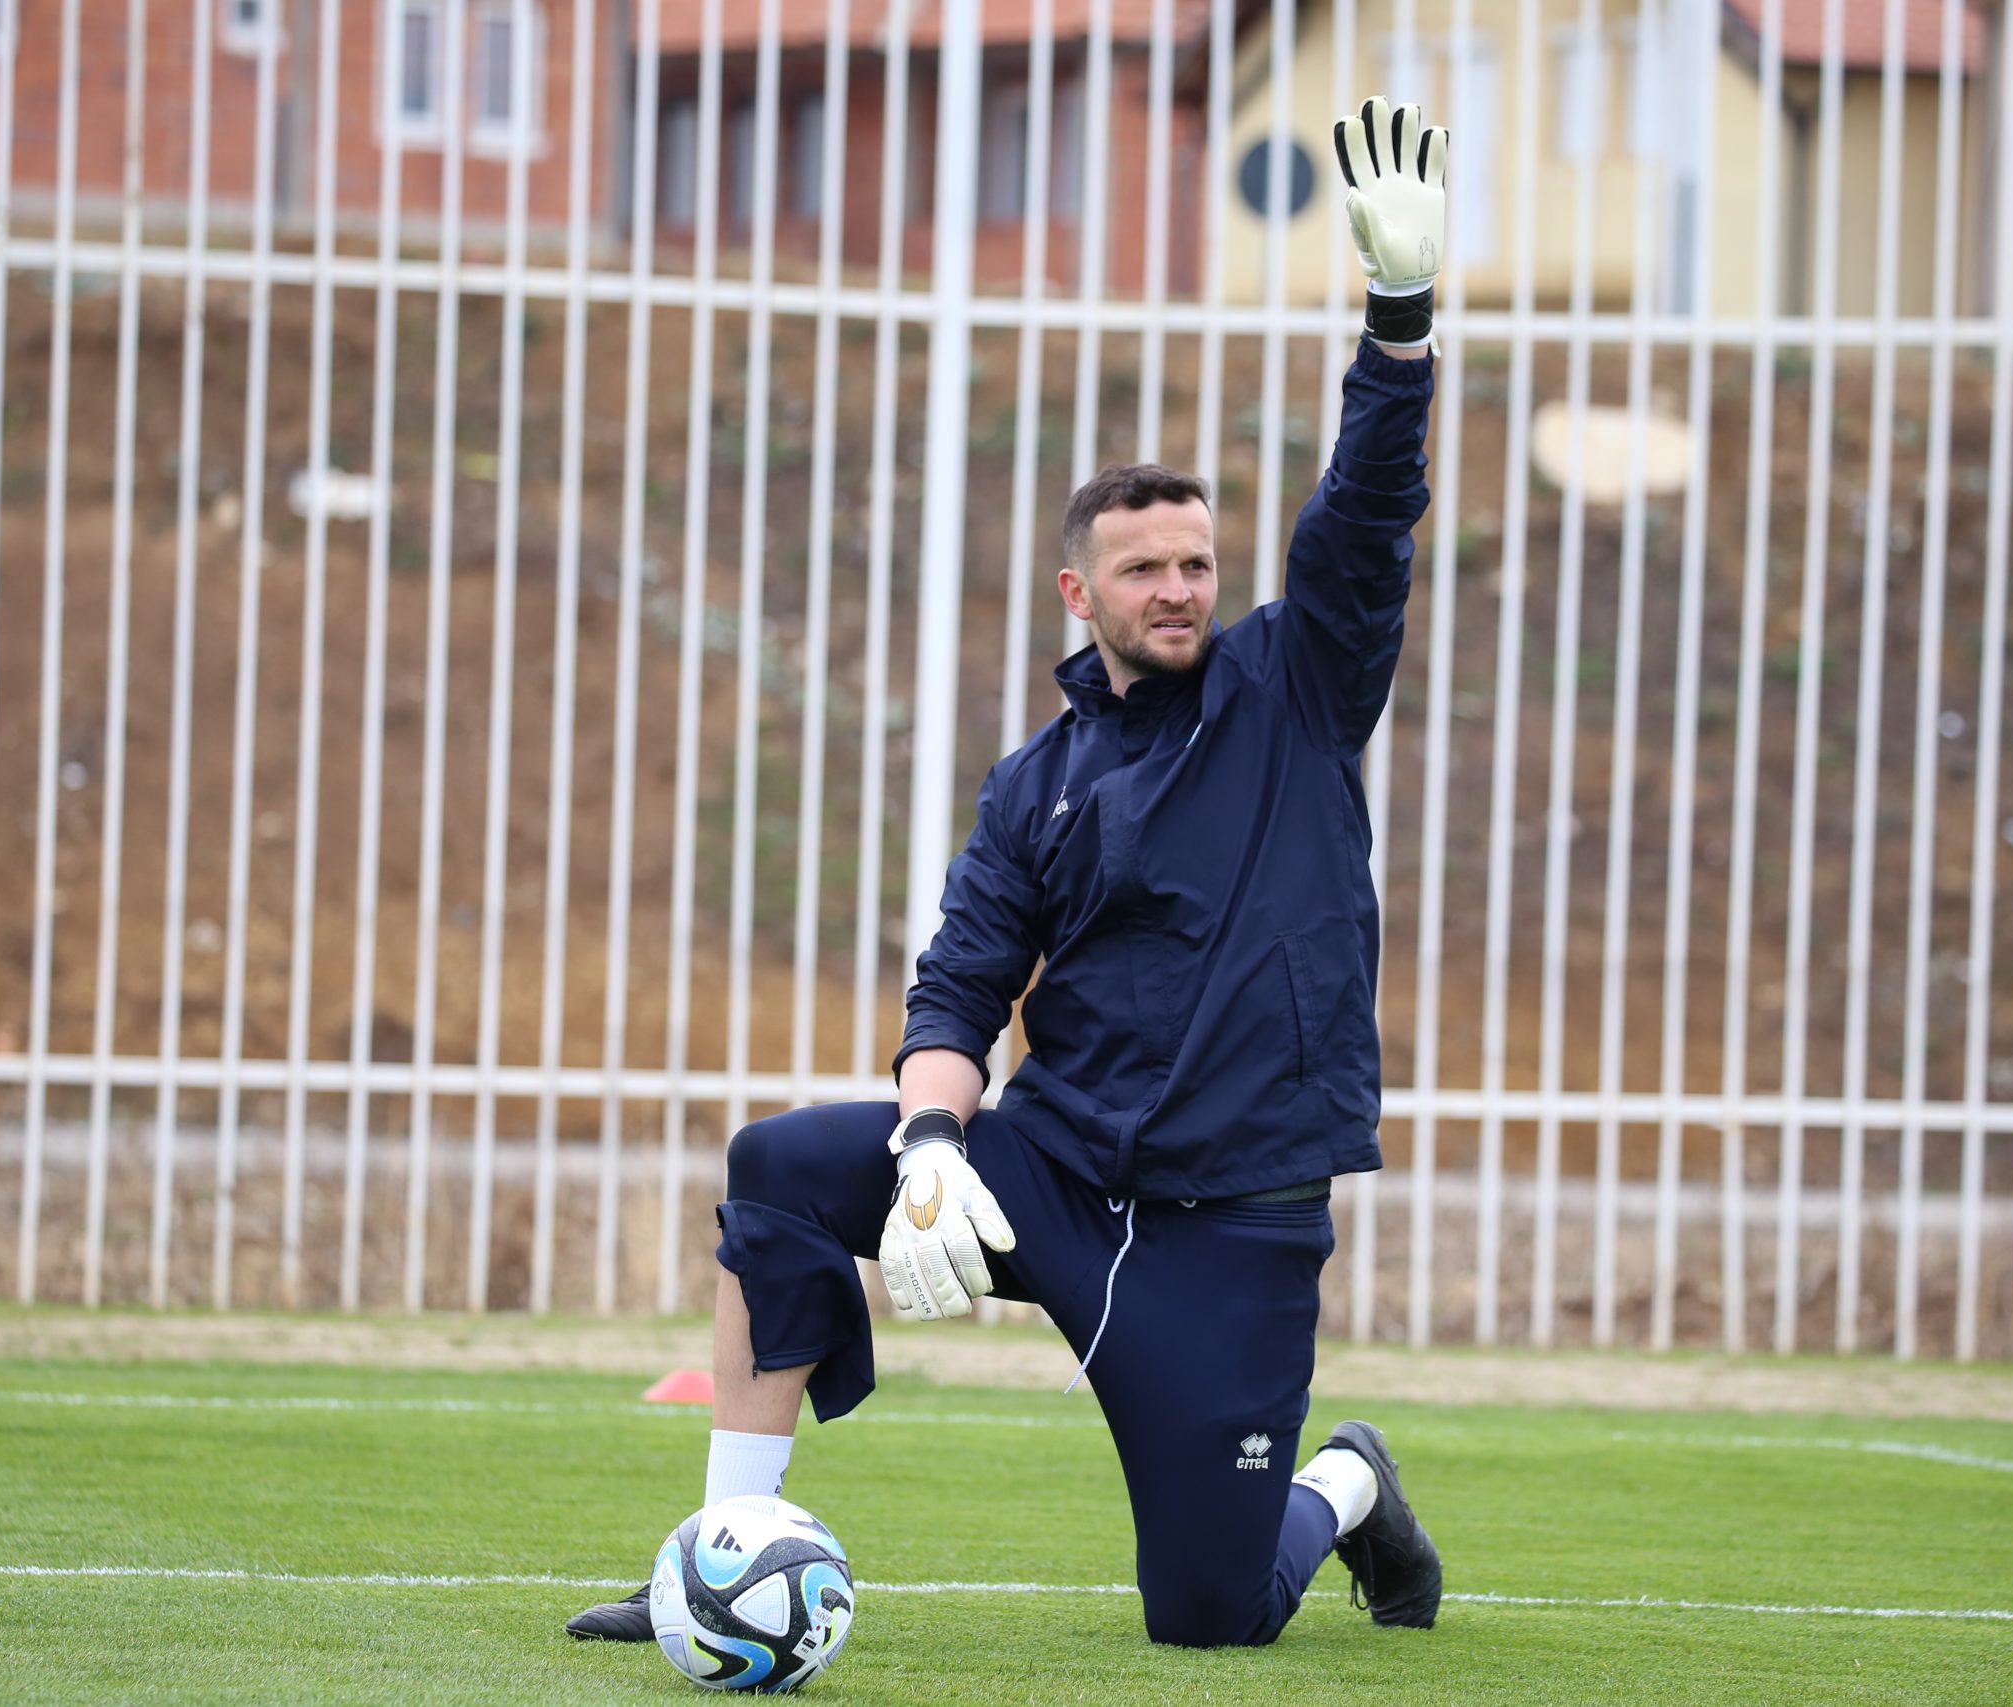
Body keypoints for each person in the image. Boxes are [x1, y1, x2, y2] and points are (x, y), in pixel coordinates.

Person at [570, 94, 1449, 1651]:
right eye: (1146, 568)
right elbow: (962, 982)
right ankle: (723, 1541)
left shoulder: (1297, 685)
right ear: (1080, 588)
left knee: (1216, 1615)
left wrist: (1397, 329)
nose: (1182, 587)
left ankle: (1347, 1484)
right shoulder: (1036, 781)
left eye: (1196, 562)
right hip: (1048, 1176)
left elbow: (1365, 523)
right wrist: (923, 1148)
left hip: (1231, 1223)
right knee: (779, 1166)